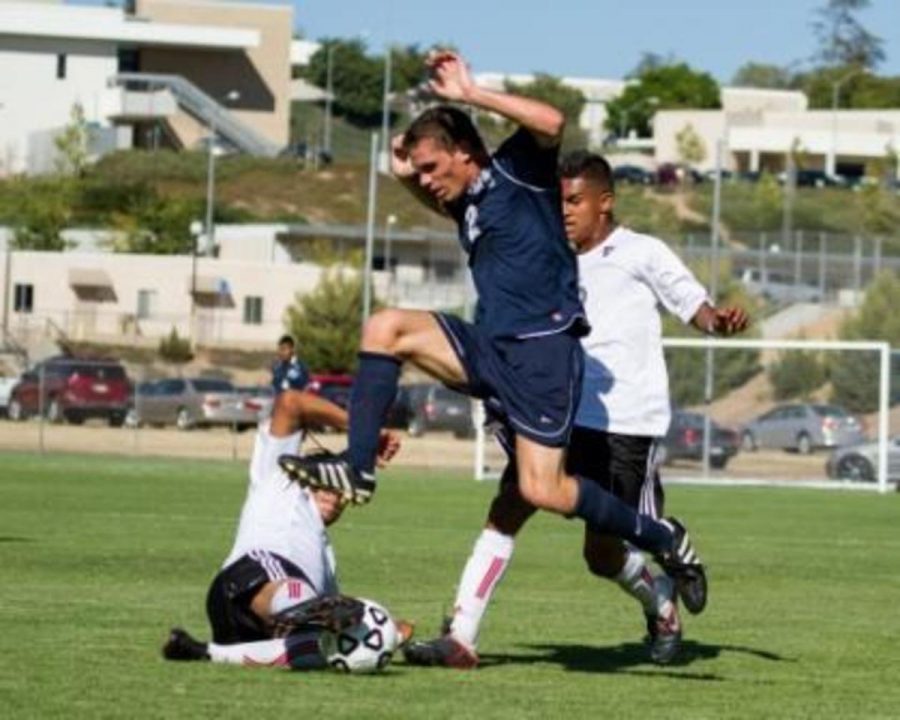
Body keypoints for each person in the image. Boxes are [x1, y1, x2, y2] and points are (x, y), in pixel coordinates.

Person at [279, 51, 703, 600]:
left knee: (540, 488)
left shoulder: (516, 169)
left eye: (434, 168)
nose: (427, 181)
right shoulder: (471, 203)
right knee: (385, 327)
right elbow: (447, 199)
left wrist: (469, 94)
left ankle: (660, 536)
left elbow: (552, 122)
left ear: (464, 152)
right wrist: (405, 177)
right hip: (493, 348)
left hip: (544, 355)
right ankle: (359, 469)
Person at [403, 151, 750, 668]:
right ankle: (461, 635)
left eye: (574, 201)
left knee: (602, 553)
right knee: (508, 509)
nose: (563, 211)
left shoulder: (641, 252)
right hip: (556, 412)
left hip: (625, 423)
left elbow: (691, 303)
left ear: (604, 203)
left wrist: (716, 320)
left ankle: (660, 598)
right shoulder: (546, 255)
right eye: (556, 201)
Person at [162, 389, 405, 670]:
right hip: (250, 577)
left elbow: (342, 623)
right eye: (326, 483)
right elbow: (291, 403)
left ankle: (205, 652)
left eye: (342, 493)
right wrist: (364, 434)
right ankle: (300, 608)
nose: (335, 495)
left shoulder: (326, 559)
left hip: (248, 631)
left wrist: (387, 631)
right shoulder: (281, 477)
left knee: (321, 647)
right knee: (299, 591)